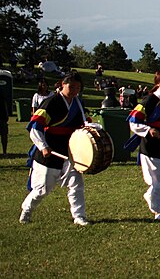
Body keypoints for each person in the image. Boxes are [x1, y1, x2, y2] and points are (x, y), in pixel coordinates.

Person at [20, 71, 90, 226]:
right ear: (62, 84)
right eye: (71, 87)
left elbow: (84, 123)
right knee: (42, 189)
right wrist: (43, 146)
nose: (74, 91)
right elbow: (35, 128)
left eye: (78, 88)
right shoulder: (51, 102)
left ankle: (79, 216)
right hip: (50, 151)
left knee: (76, 183)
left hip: (71, 150)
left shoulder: (78, 103)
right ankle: (26, 209)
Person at [127, 69, 160, 220]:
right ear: (158, 82)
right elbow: (132, 121)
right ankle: (158, 212)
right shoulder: (148, 100)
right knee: (159, 180)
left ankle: (150, 194)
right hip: (150, 146)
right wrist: (148, 129)